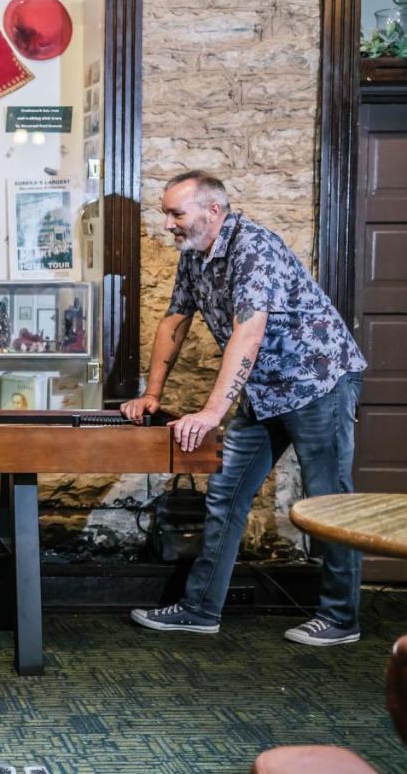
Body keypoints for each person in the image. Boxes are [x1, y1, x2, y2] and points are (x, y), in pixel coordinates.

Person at [124, 171, 366, 646]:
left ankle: (341, 619)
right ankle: (199, 609)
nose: (168, 223)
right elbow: (175, 320)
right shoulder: (195, 256)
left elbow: (248, 332)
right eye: (166, 212)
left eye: (176, 212)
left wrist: (212, 413)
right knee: (226, 494)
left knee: (329, 500)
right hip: (262, 390)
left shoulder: (253, 247)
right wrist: (152, 392)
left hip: (317, 381)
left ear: (213, 210)